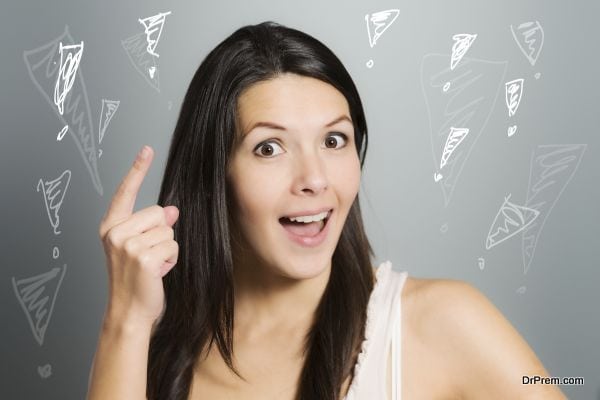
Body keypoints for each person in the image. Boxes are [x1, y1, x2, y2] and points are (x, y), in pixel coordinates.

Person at [87, 21, 567, 400]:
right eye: (270, 148)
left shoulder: (443, 322)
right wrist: (126, 319)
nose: (315, 179)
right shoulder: (149, 345)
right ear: (213, 176)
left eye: (334, 140)